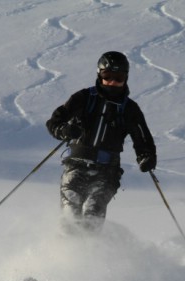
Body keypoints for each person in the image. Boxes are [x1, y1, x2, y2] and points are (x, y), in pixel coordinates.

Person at [46, 51, 157, 233]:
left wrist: (146, 157)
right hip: (76, 166)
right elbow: (54, 122)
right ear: (99, 75)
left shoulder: (129, 109)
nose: (112, 82)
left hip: (107, 172)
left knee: (92, 212)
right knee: (70, 214)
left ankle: (93, 254)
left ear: (125, 78)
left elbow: (142, 138)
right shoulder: (83, 98)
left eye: (118, 78)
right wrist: (64, 130)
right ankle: (65, 253)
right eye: (107, 77)